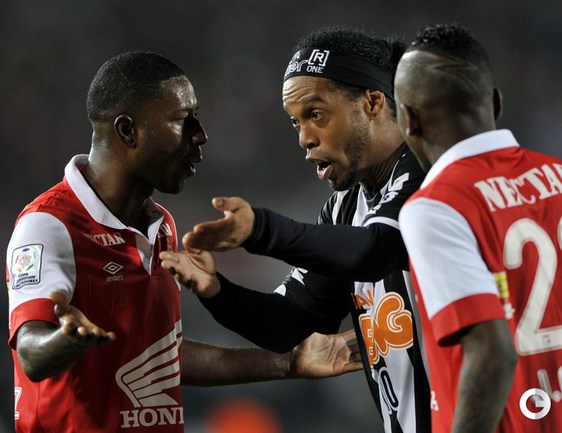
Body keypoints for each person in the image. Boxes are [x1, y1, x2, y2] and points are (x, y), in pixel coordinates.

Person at [5, 51, 362, 433]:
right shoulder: (50, 224)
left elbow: (162, 356)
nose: (200, 134)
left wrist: (289, 362)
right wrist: (65, 340)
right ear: (128, 131)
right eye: (182, 119)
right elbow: (31, 352)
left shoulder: (162, 227)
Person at [160, 27, 430, 433]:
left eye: (315, 114)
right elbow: (290, 322)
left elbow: (377, 249)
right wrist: (217, 290)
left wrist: (262, 230)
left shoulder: (433, 174)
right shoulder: (345, 208)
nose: (304, 138)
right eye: (295, 122)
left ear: (373, 102)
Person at [395, 23, 562, 432]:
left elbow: (491, 352)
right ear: (496, 103)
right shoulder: (559, 175)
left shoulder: (435, 208)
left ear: (409, 119)